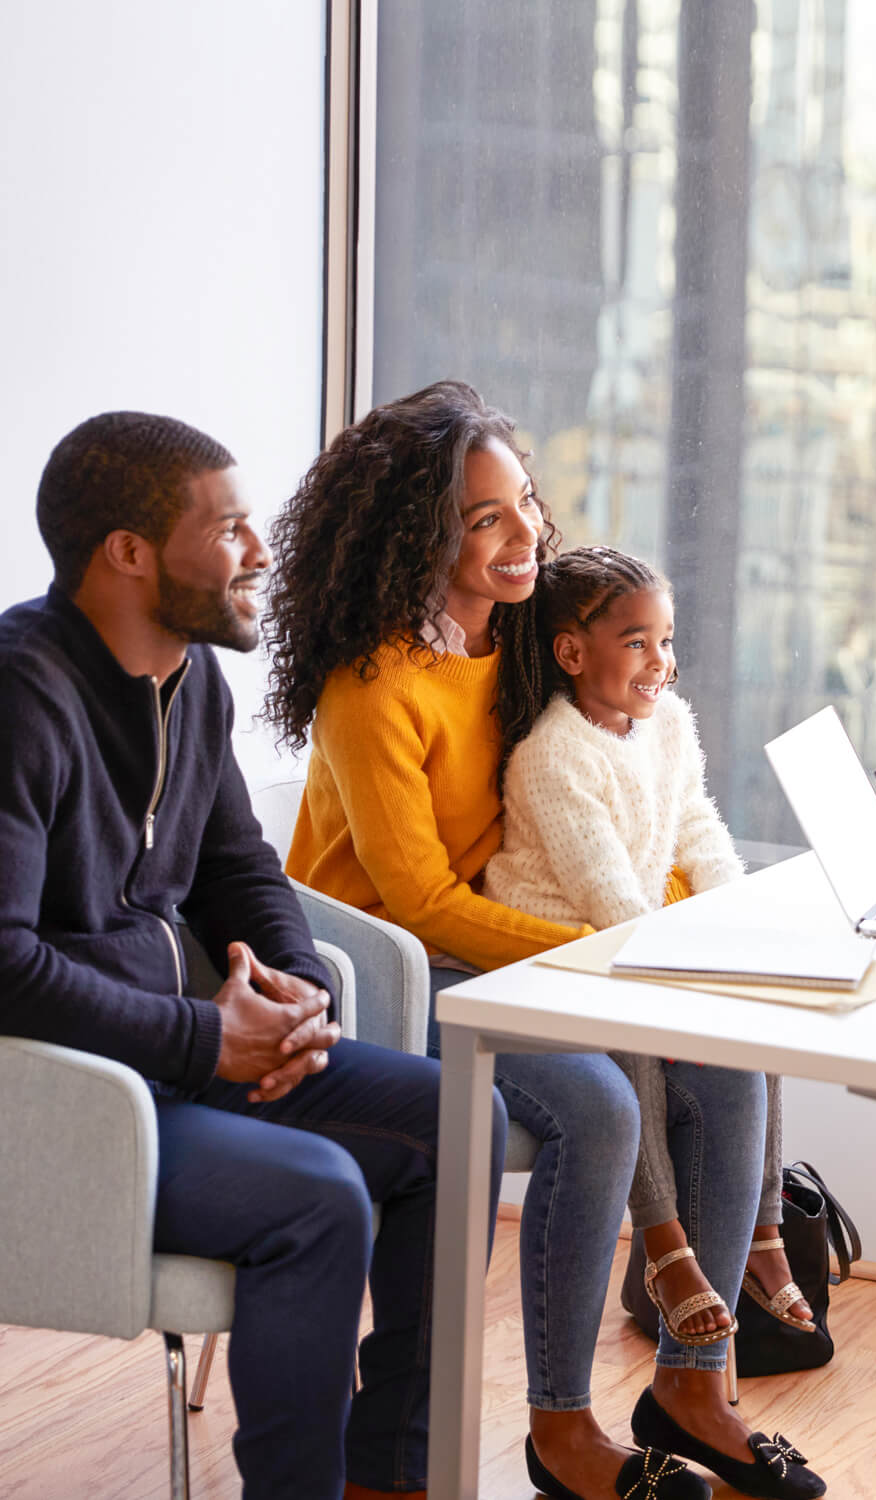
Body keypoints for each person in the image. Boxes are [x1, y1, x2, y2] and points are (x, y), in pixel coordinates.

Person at [262, 381, 824, 1500]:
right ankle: (561, 1429)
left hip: (512, 943)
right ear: (421, 535)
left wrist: (689, 921)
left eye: (524, 504)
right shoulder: (372, 686)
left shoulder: (525, 642)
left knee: (724, 1067)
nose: (525, 535)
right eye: (486, 520)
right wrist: (597, 958)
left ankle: (694, 1386)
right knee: (602, 1107)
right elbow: (417, 898)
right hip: (389, 972)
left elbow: (624, 771)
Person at [0, 410, 506, 1500]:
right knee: (319, 1194)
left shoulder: (193, 684)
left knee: (466, 1121)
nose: (261, 553)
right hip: (67, 1104)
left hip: (185, 1064)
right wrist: (205, 1037)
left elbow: (243, 875)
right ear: (129, 554)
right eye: (229, 529)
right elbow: (2, 965)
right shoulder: (19, 698)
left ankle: (392, 1471)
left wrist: (301, 994)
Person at [482, 544, 817, 1344]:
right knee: (631, 1040)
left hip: (630, 941)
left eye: (666, 641)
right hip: (565, 957)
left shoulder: (667, 724)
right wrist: (689, 967)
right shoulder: (551, 757)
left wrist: (737, 917)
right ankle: (664, 1244)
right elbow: (611, 902)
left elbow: (695, 824)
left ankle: (765, 1231)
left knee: (753, 1018)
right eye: (637, 642)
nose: (660, 663)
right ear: (572, 653)